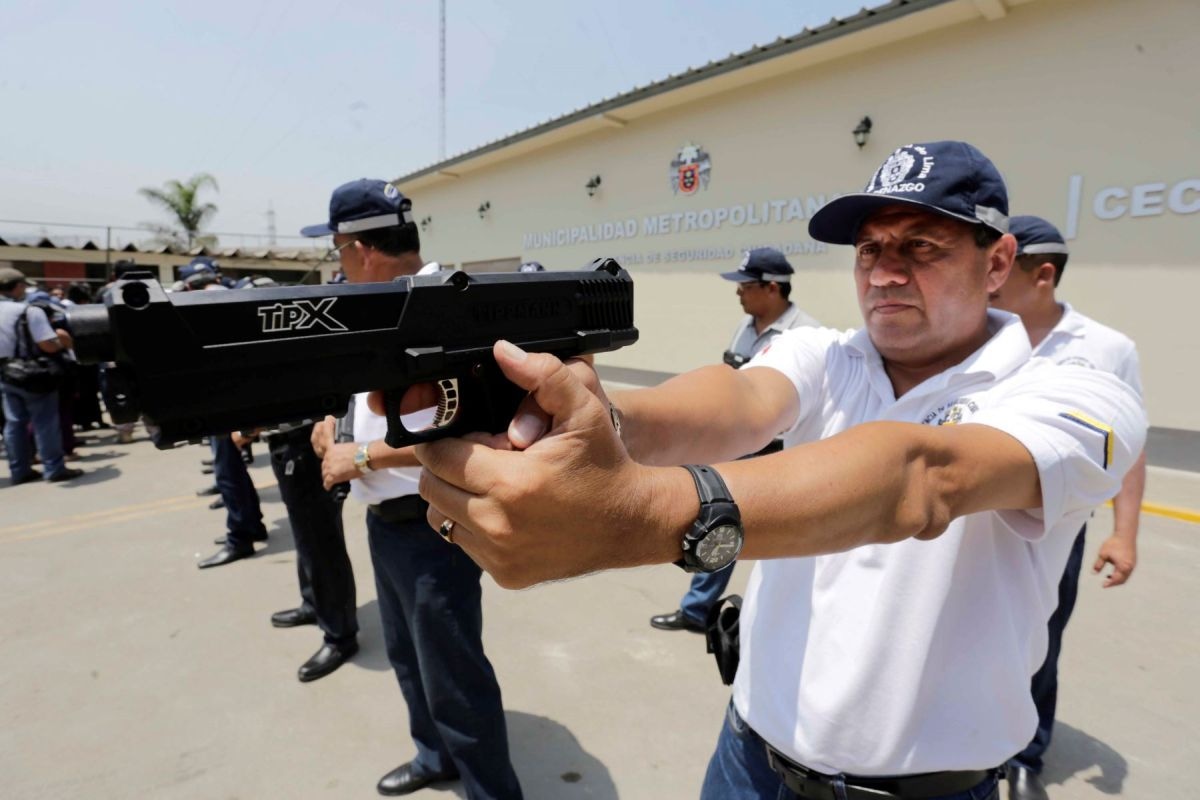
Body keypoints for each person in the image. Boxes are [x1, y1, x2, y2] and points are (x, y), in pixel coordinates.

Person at [409, 142, 1147, 800]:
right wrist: (597, 418)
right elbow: (731, 402)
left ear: (997, 263)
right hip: (750, 760)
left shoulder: (1078, 392)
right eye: (869, 249)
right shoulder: (826, 354)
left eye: (920, 247)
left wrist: (642, 515)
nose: (885, 272)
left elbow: (920, 479)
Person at [305, 179, 522, 798]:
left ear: (360, 248)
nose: (339, 265)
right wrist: (336, 426)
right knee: (407, 655)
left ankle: (491, 790)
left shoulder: (444, 306)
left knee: (455, 674)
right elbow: (376, 403)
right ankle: (434, 756)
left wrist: (364, 454)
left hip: (435, 522)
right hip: (386, 520)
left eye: (338, 252)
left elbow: (470, 437)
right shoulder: (382, 306)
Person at [987, 215, 1146, 800]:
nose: (988, 285)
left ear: (1043, 275)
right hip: (972, 518)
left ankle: (1026, 755)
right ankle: (970, 743)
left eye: (1000, 276)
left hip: (1059, 521)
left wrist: (1124, 534)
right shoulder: (976, 334)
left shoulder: (1105, 349)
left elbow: (1129, 451)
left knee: (1041, 637)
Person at [650, 247, 820, 634]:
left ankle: (781, 622)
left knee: (786, 542)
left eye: (745, 285)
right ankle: (696, 611)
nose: (738, 293)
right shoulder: (745, 328)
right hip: (742, 449)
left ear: (772, 287)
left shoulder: (806, 334)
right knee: (721, 525)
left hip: (783, 454)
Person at [1, 266, 84, 484]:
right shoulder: (28, 311)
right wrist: (63, 340)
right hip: (32, 372)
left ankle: (19, 470)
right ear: (18, 286)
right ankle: (54, 469)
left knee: (13, 423)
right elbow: (47, 345)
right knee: (45, 421)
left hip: (4, 374)